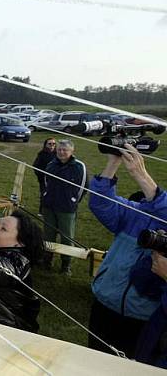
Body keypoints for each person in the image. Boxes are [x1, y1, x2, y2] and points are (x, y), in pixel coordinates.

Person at [86, 143, 167, 358]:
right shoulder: (136, 212)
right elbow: (99, 203)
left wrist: (141, 175)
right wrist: (113, 163)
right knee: (92, 363)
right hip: (104, 304)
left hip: (141, 316)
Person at [41, 139, 87, 275]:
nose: (61, 152)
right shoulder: (51, 165)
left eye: (65, 150)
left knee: (67, 237)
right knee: (48, 235)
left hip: (66, 208)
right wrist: (45, 195)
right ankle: (46, 260)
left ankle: (65, 265)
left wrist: (73, 201)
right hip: (49, 206)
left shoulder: (79, 167)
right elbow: (45, 182)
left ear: (72, 151)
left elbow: (83, 187)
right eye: (59, 149)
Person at [32, 138, 57, 209]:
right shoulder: (41, 154)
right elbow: (35, 166)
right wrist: (42, 175)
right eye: (49, 143)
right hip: (44, 179)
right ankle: (42, 210)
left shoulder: (58, 154)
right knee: (44, 194)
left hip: (55, 179)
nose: (52, 145)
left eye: (54, 144)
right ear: (46, 145)